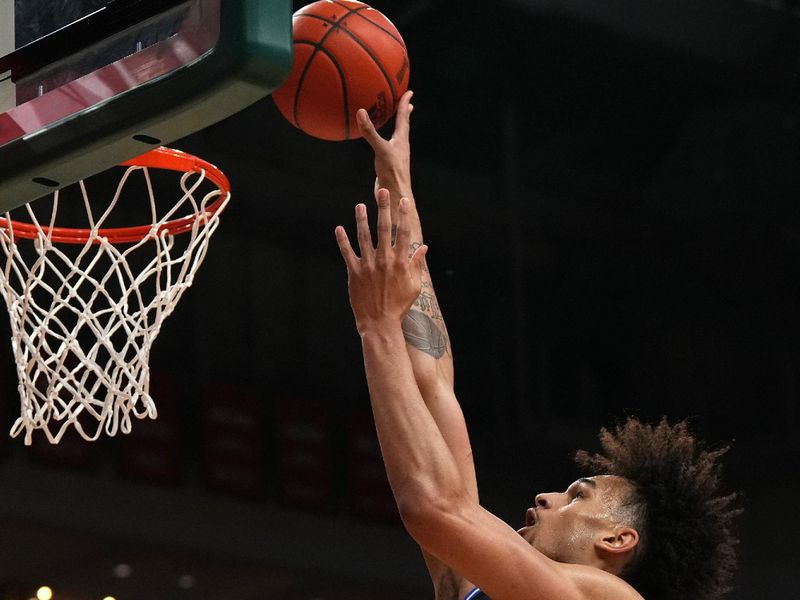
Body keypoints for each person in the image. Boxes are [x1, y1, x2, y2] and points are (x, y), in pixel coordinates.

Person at [335, 90, 740, 600]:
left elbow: (434, 507)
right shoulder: (479, 587)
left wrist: (376, 324)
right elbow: (433, 387)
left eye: (577, 496)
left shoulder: (610, 598)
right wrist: (397, 187)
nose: (546, 497)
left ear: (618, 539)